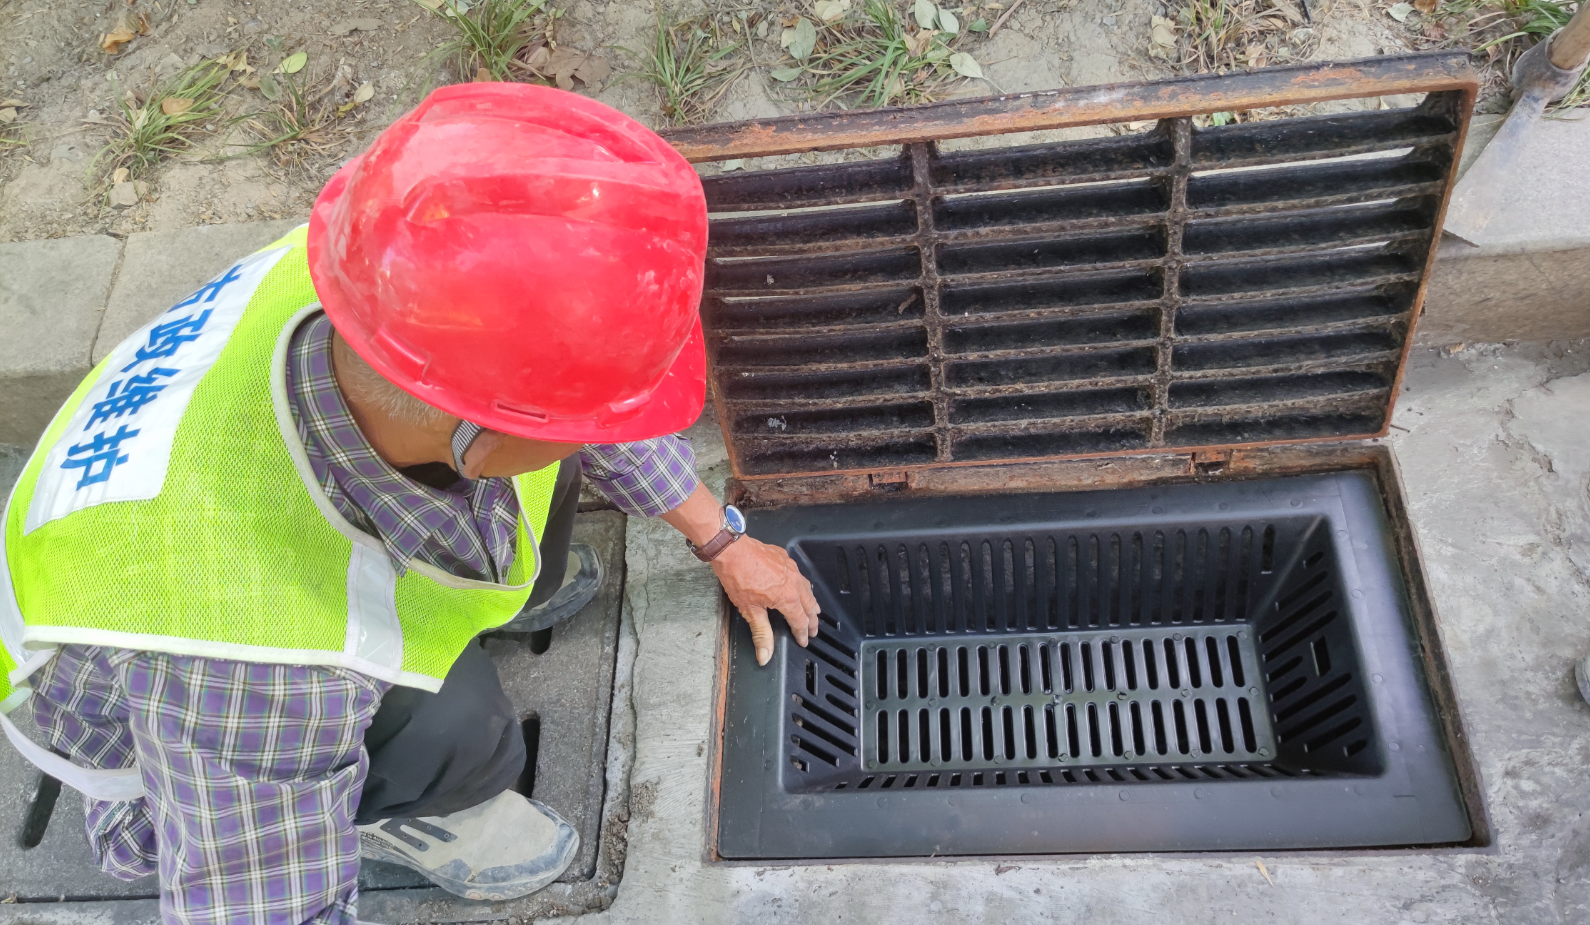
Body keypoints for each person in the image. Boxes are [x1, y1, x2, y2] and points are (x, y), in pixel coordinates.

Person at [0, 83, 818, 922]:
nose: (606, 429)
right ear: (483, 434)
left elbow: (571, 393)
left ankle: (483, 603)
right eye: (582, 419)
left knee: (554, 475)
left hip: (289, 562)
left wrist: (721, 540)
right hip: (171, 743)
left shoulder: (385, 277)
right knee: (459, 723)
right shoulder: (250, 668)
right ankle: (407, 806)